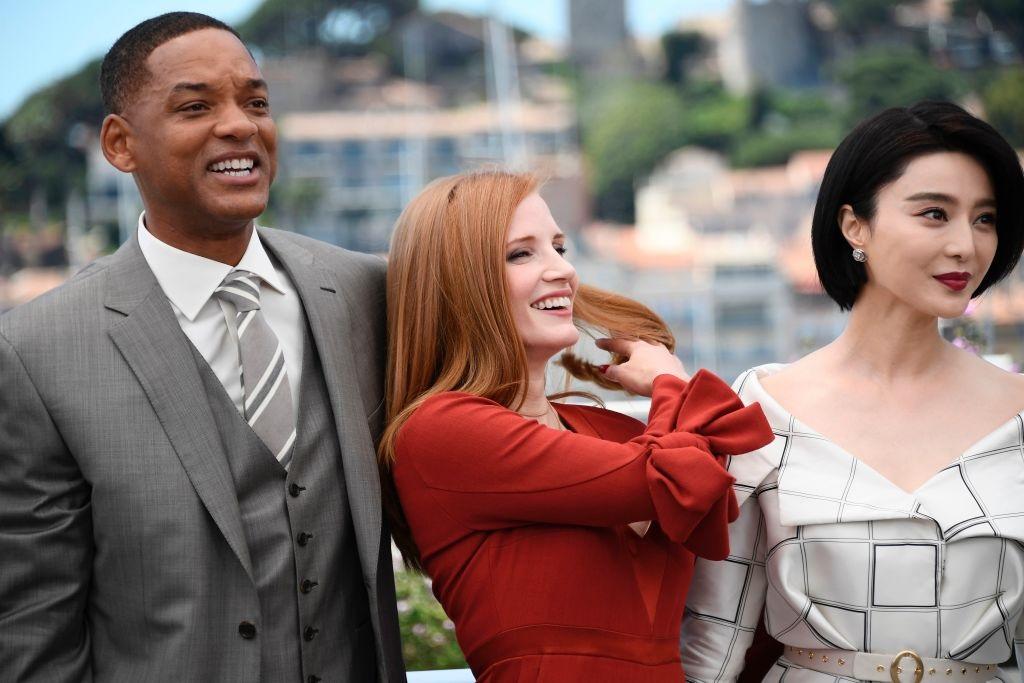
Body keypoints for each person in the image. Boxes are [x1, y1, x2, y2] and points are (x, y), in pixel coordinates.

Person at [0, 13, 404, 682]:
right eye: (196, 106)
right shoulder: (35, 351)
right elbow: (33, 628)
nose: (241, 124)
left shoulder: (365, 291)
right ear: (120, 144)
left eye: (257, 102)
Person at [379, 170, 774, 681]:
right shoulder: (442, 432)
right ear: (458, 282)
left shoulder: (609, 430)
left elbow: (710, 478)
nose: (562, 270)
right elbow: (675, 477)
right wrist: (668, 384)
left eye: (560, 248)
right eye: (522, 253)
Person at [680, 101, 1024, 683]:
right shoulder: (763, 409)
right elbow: (714, 639)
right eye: (935, 214)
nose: (966, 245)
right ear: (853, 225)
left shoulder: (1017, 415)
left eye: (985, 218)